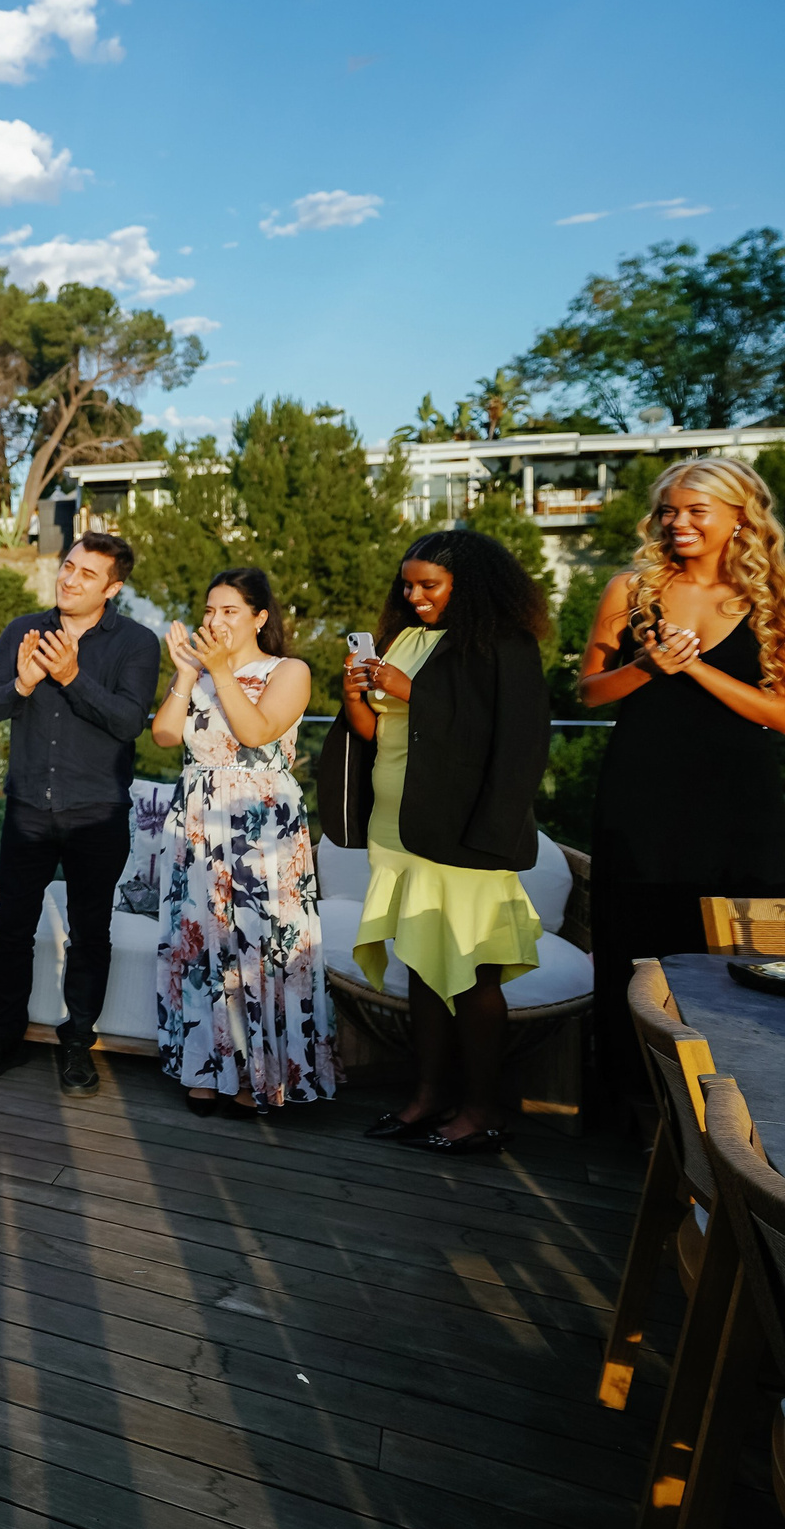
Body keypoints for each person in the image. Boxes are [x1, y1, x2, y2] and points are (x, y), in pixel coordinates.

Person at [319, 528, 551, 1155]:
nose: (414, 595)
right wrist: (355, 697)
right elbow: (378, 734)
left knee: (474, 974)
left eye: (430, 585)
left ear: (468, 584)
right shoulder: (409, 641)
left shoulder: (506, 645)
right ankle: (426, 1097)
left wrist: (404, 688)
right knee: (420, 963)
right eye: (409, 584)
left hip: (467, 833)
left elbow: (509, 740)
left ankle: (481, 1111)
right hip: (398, 829)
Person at [577, 457, 785, 1114]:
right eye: (669, 510)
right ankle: (635, 1110)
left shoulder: (770, 593)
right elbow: (588, 693)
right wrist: (648, 666)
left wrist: (695, 670)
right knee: (633, 948)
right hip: (639, 796)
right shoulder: (631, 588)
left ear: (738, 516)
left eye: (697, 510)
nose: (679, 522)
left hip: (738, 803)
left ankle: (732, 1118)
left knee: (734, 955)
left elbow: (780, 711)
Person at [0, 531, 160, 1093]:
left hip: (97, 813)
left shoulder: (136, 643)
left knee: (89, 934)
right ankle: (5, 1037)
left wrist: (73, 677)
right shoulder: (22, 630)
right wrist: (24, 682)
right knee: (11, 928)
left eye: (87, 574)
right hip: (28, 808)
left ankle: (78, 1043)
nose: (70, 580)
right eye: (68, 566)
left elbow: (130, 723)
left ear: (114, 587)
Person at [148, 567, 333, 1117]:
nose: (215, 620)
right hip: (199, 821)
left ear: (259, 616)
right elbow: (162, 736)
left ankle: (262, 1075)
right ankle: (207, 1069)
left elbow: (255, 732)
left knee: (258, 947)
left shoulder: (288, 670)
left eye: (230, 610)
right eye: (209, 610)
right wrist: (185, 673)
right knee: (204, 946)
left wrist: (222, 670)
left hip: (261, 828)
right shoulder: (202, 673)